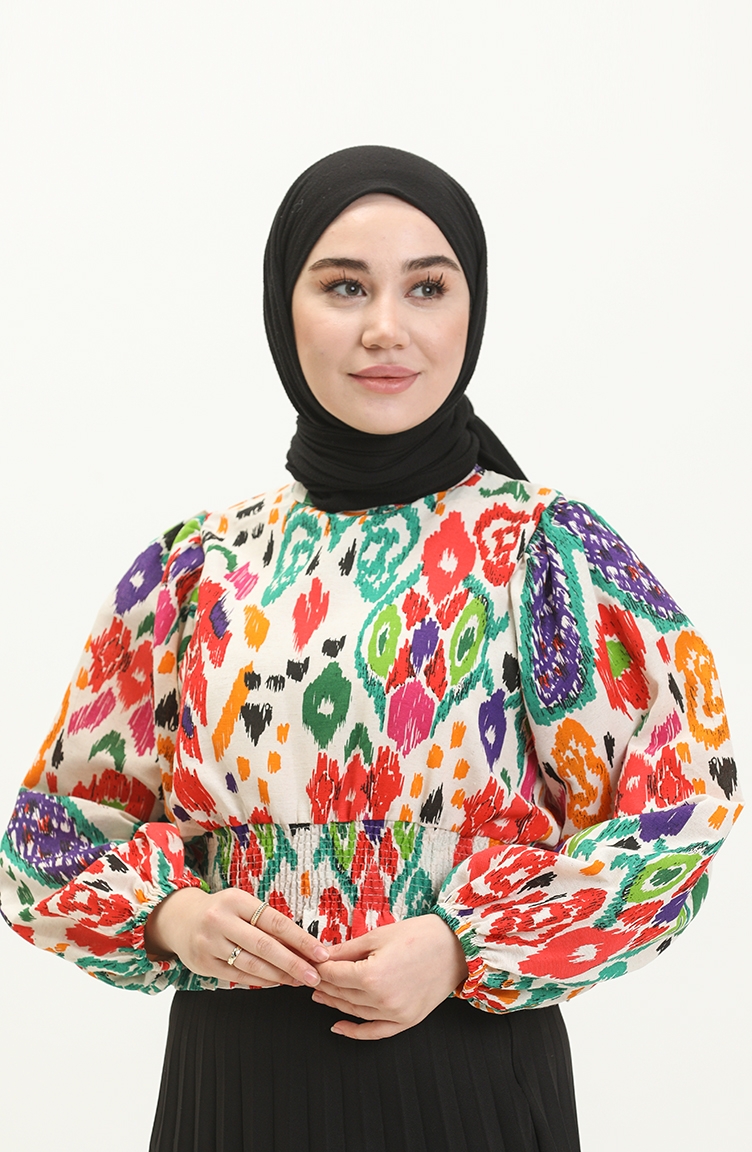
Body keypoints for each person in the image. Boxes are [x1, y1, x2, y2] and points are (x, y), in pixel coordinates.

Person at [0, 146, 742, 1152]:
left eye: (426, 288)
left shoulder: (542, 553)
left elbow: (679, 813)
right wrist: (172, 917)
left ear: (471, 309)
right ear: (284, 308)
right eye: (344, 286)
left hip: (470, 1085)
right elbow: (45, 840)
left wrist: (460, 947)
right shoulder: (196, 570)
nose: (386, 328)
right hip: (232, 1092)